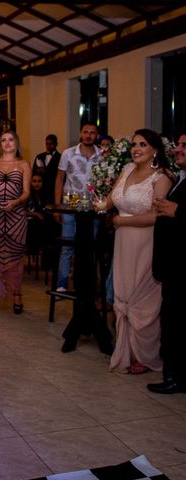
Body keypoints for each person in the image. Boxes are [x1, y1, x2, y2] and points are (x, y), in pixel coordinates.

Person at [99, 129, 172, 374]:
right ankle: (126, 351)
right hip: (123, 243)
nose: (136, 149)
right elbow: (112, 199)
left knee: (144, 300)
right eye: (133, 145)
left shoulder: (161, 177)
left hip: (146, 242)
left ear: (155, 150)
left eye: (142, 144)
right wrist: (100, 204)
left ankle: (147, 355)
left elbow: (157, 215)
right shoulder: (127, 169)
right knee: (124, 293)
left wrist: (122, 221)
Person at [148, 132, 186, 394]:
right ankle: (175, 375)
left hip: (182, 267)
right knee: (173, 319)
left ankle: (177, 378)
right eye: (179, 145)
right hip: (173, 265)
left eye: (185, 145)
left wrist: (178, 211)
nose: (178, 150)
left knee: (177, 322)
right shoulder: (181, 179)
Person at [0, 130, 31, 317]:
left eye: (11, 140)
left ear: (16, 143)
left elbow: (26, 192)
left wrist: (16, 202)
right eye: (4, 140)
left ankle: (17, 295)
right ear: (0, 144)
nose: (7, 143)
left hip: (16, 216)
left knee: (17, 257)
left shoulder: (23, 164)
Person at [54, 123, 101, 292]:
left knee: (89, 246)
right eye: (85, 132)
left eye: (92, 133)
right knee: (67, 245)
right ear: (80, 134)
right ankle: (62, 283)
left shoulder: (102, 155)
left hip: (93, 204)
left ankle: (86, 284)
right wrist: (58, 206)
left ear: (97, 135)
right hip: (71, 201)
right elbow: (59, 179)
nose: (88, 135)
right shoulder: (69, 153)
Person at [32, 133, 61, 205]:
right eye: (47, 144)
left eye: (51, 144)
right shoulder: (39, 156)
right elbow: (34, 173)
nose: (49, 146)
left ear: (56, 144)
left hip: (53, 190)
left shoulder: (61, 157)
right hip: (40, 191)